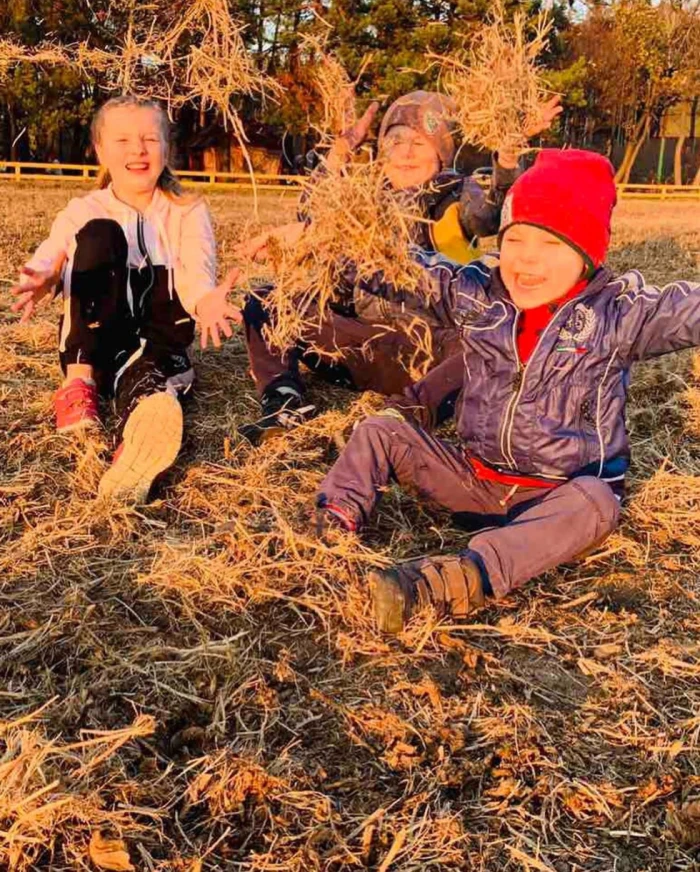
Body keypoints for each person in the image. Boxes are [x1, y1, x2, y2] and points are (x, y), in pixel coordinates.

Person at [315, 148, 700, 633]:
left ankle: (458, 578)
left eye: (551, 244)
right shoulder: (478, 293)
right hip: (475, 479)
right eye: (515, 240)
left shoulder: (619, 314)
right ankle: (331, 529)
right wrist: (328, 251)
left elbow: (687, 309)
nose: (527, 261)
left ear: (587, 254)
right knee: (379, 431)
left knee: (599, 503)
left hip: (555, 498)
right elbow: (403, 272)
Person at [237, 90, 561, 444]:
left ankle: (408, 415)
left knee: (485, 339)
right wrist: (339, 153)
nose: (406, 152)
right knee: (267, 300)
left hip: (423, 353)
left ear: (441, 155)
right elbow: (312, 213)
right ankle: (283, 399)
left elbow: (499, 216)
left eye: (419, 143)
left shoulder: (455, 195)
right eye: (395, 140)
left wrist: (509, 154)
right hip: (353, 345)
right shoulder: (362, 196)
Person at [11, 95, 239, 503]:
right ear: (100, 150)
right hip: (99, 337)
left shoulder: (187, 210)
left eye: (150, 139)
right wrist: (45, 276)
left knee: (151, 389)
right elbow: (53, 252)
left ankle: (133, 450)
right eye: (123, 141)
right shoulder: (84, 209)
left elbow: (195, 274)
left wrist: (206, 302)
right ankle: (79, 384)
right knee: (100, 234)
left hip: (158, 338)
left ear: (167, 148)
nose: (138, 149)